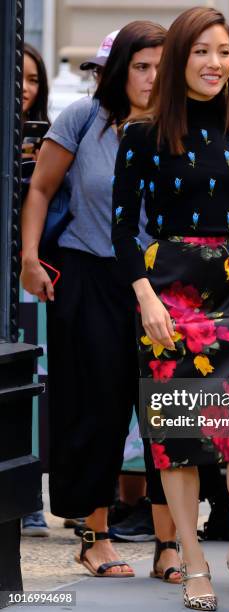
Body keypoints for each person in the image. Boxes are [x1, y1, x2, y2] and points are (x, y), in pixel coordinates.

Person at [112, 6, 229, 609]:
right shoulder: (142, 134)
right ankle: (191, 558)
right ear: (181, 57)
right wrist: (145, 299)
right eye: (201, 52)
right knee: (178, 428)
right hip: (171, 292)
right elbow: (121, 230)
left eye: (224, 52)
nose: (215, 63)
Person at [20, 22, 183, 581]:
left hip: (166, 283)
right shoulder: (83, 119)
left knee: (171, 411)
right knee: (96, 409)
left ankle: (170, 543)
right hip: (90, 275)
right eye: (140, 65)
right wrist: (29, 255)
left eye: (162, 65)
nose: (151, 77)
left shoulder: (184, 127)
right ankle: (94, 536)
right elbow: (40, 188)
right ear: (117, 71)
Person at [20, 42, 51, 538]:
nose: (23, 89)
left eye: (32, 80)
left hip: (33, 272)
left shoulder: (48, 137)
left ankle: (26, 498)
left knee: (30, 382)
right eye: (16, 78)